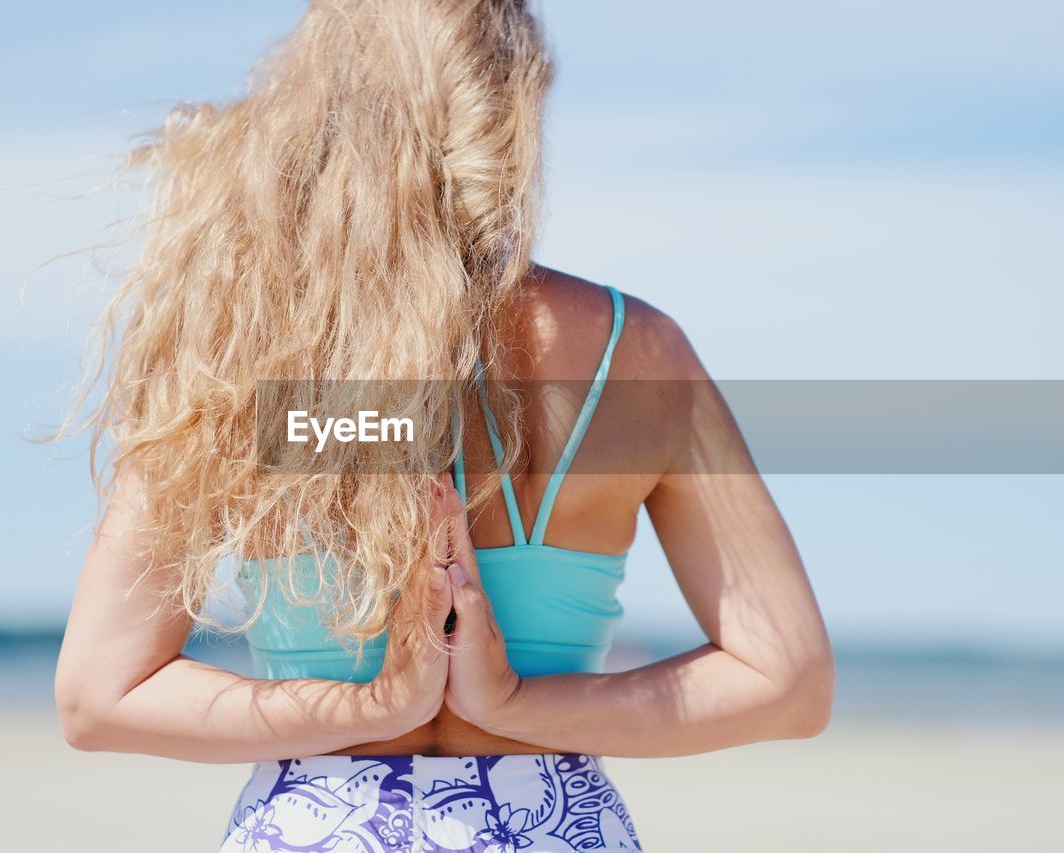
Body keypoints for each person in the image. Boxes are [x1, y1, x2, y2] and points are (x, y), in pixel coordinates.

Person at [50, 2, 834, 850]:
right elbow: (787, 680)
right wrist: (514, 703)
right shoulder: (631, 351)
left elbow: (100, 694)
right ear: (504, 118)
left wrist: (372, 705)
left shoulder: (234, 353)